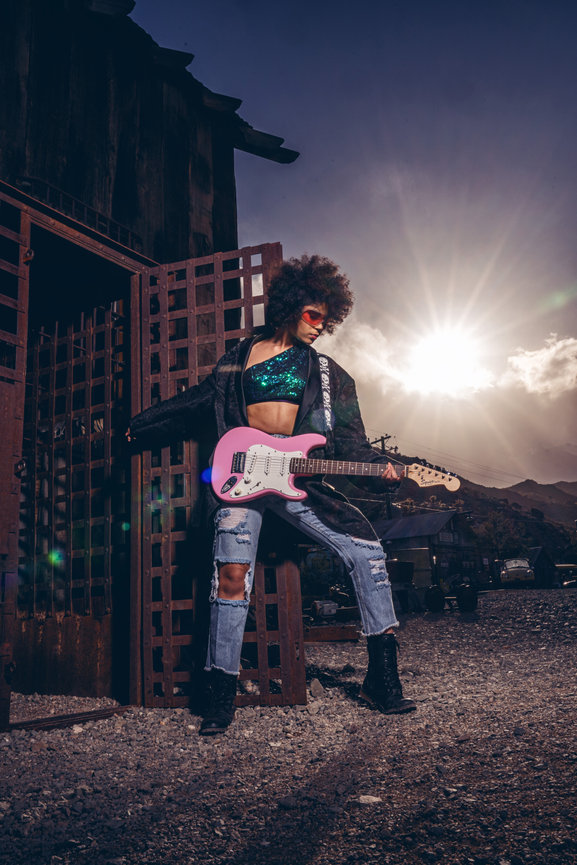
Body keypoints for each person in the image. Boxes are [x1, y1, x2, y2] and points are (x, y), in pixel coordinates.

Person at [128, 255, 416, 735]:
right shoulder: (237, 359)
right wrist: (138, 428)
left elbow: (352, 448)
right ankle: (218, 694)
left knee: (367, 552)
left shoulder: (329, 376)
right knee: (231, 575)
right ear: (290, 305)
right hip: (239, 481)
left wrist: (383, 474)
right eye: (314, 315)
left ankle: (382, 680)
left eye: (327, 319)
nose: (321, 327)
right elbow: (195, 402)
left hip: (298, 482)